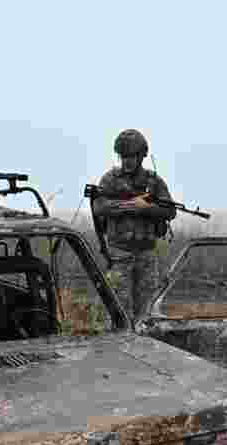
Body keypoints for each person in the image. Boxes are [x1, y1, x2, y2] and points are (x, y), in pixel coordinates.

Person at [92, 129, 177, 319]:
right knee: (117, 310)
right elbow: (99, 207)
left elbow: (170, 210)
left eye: (131, 156)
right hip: (119, 253)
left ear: (141, 156)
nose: (127, 161)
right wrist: (130, 205)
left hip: (146, 254)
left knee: (147, 311)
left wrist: (146, 208)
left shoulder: (153, 181)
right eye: (123, 156)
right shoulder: (110, 179)